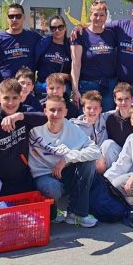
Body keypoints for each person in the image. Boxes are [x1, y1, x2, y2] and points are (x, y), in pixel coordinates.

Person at [0, 79, 48, 212]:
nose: (11, 103)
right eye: (6, 98)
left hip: (25, 178)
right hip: (3, 183)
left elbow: (44, 118)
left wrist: (20, 116)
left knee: (48, 214)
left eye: (15, 98)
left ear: (20, 98)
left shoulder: (23, 112)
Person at [29, 95, 100, 228]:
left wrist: (66, 159)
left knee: (88, 162)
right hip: (43, 175)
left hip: (64, 170)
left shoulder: (71, 127)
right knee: (52, 188)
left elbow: (95, 150)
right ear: (45, 111)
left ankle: (76, 213)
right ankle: (54, 213)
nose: (56, 114)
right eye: (52, 110)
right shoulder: (35, 128)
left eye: (60, 110)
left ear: (66, 112)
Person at [0, 3, 41, 112]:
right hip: (3, 92)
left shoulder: (33, 36)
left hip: (25, 93)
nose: (14, 19)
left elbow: (53, 40)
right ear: (7, 18)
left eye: (18, 16)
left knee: (27, 121)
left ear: (23, 17)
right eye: (11, 16)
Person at [71, 0, 118, 110]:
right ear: (90, 15)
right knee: (88, 117)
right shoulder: (80, 35)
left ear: (106, 17)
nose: (98, 18)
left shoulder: (111, 35)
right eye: (95, 14)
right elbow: (76, 64)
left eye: (102, 15)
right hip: (88, 85)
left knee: (108, 117)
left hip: (109, 85)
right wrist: (75, 89)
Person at [71, 90, 110, 173]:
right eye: (89, 108)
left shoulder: (105, 118)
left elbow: (124, 108)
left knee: (110, 144)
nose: (92, 111)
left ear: (100, 109)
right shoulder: (75, 126)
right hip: (86, 159)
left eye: (95, 108)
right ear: (83, 109)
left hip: (104, 159)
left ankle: (109, 177)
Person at [34, 15, 71, 98]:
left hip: (62, 88)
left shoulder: (71, 47)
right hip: (43, 86)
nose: (57, 30)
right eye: (53, 28)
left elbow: (77, 72)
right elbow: (34, 63)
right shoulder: (43, 44)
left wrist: (65, 76)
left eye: (60, 27)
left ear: (65, 28)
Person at [100, 82, 133, 168]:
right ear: (115, 100)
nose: (123, 102)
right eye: (120, 99)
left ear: (132, 99)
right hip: (119, 155)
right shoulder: (111, 119)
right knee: (107, 144)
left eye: (126, 98)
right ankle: (111, 174)